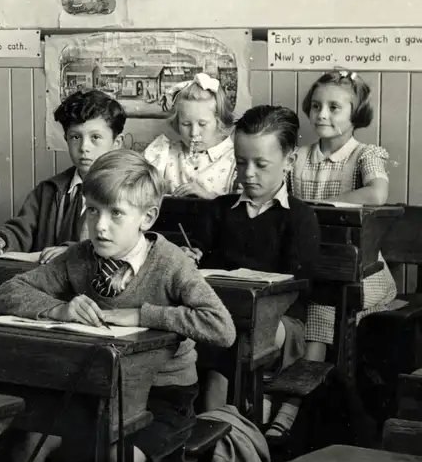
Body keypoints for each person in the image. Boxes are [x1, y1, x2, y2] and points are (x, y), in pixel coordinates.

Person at [0, 149, 235, 462]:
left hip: (163, 399)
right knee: (25, 442)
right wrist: (58, 308)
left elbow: (222, 327)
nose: (100, 226)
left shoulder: (170, 263)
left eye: (115, 214)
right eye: (92, 211)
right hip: (95, 391)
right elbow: (10, 291)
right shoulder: (80, 257)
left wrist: (143, 314)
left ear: (147, 217)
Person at [186, 105, 320, 432]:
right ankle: (215, 424)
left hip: (281, 322)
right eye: (241, 162)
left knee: (232, 334)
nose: (248, 173)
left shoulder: (298, 217)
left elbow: (301, 286)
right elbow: (202, 262)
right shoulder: (219, 210)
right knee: (217, 331)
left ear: (288, 162)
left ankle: (228, 421)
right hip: (223, 315)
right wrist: (189, 258)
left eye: (261, 164)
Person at [284, 69, 397, 439]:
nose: (322, 114)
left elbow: (377, 194)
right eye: (316, 106)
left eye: (334, 107)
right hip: (313, 271)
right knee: (304, 302)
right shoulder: (297, 157)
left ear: (355, 114)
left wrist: (313, 206)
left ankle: (289, 410)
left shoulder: (366, 155)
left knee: (322, 306)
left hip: (364, 274)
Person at [0, 90, 126, 263]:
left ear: (116, 143)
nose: (84, 147)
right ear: (66, 139)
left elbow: (126, 245)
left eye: (95, 137)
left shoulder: (128, 192)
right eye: (75, 137)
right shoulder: (49, 190)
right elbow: (23, 228)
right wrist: (3, 239)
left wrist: (75, 251)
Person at [143, 72, 237, 199]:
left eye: (202, 124)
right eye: (186, 124)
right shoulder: (164, 152)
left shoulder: (235, 159)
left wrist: (209, 198)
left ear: (219, 121)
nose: (194, 133)